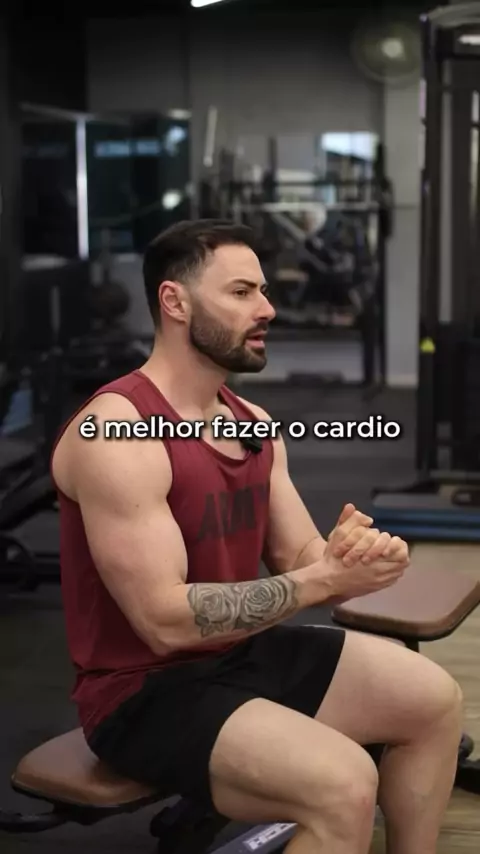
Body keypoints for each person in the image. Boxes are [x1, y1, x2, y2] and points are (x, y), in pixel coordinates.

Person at [51, 220, 463, 854]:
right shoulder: (116, 432)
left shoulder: (251, 422)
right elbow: (164, 622)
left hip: (237, 656)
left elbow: (301, 556)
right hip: (142, 693)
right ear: (175, 302)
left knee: (433, 700)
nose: (267, 308)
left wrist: (352, 556)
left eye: (263, 291)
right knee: (344, 785)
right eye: (242, 292)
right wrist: (320, 579)